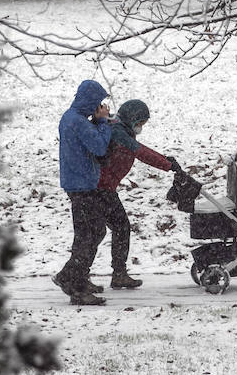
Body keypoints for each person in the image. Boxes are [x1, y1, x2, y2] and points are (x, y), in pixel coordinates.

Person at [95, 98, 179, 288]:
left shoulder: (119, 128)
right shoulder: (119, 133)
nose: (141, 127)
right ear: (132, 119)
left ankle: (108, 273)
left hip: (104, 187)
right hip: (100, 188)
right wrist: (166, 164)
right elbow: (141, 152)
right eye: (140, 123)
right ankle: (88, 275)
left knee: (108, 230)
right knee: (112, 229)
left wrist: (165, 160)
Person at [53, 79, 115, 305]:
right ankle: (71, 280)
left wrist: (97, 122)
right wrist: (103, 123)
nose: (99, 106)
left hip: (78, 183)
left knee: (93, 231)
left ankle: (78, 277)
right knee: (88, 235)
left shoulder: (70, 117)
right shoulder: (79, 122)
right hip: (82, 186)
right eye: (98, 102)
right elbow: (99, 147)